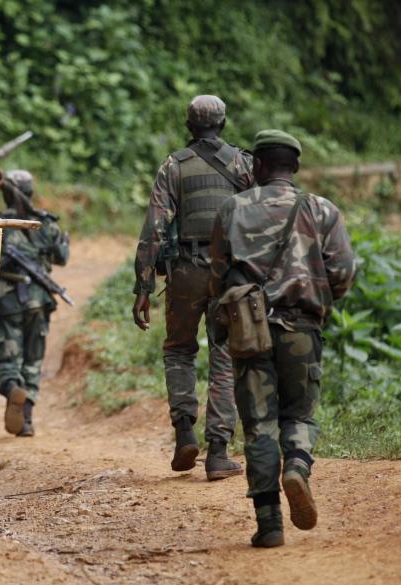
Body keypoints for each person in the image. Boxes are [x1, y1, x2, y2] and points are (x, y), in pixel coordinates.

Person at [209, 129, 356, 548]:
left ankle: (269, 523)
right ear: (295, 167)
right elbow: (343, 272)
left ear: (256, 165)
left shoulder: (232, 208)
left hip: (250, 331)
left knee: (258, 425)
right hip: (302, 329)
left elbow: (217, 272)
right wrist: (317, 298)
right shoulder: (322, 209)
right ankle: (297, 465)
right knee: (300, 415)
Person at [131, 95, 254, 480]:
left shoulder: (174, 165)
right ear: (223, 123)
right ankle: (218, 452)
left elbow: (154, 227)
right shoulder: (242, 163)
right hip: (229, 273)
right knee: (224, 357)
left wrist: (143, 286)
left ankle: (184, 431)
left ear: (189, 124)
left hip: (185, 269)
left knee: (179, 351)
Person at [0, 170, 69, 437]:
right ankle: (27, 419)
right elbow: (62, 258)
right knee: (33, 360)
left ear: (4, 193)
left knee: (4, 358)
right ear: (31, 192)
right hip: (38, 301)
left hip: (3, 299)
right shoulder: (47, 224)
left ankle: (11, 389)